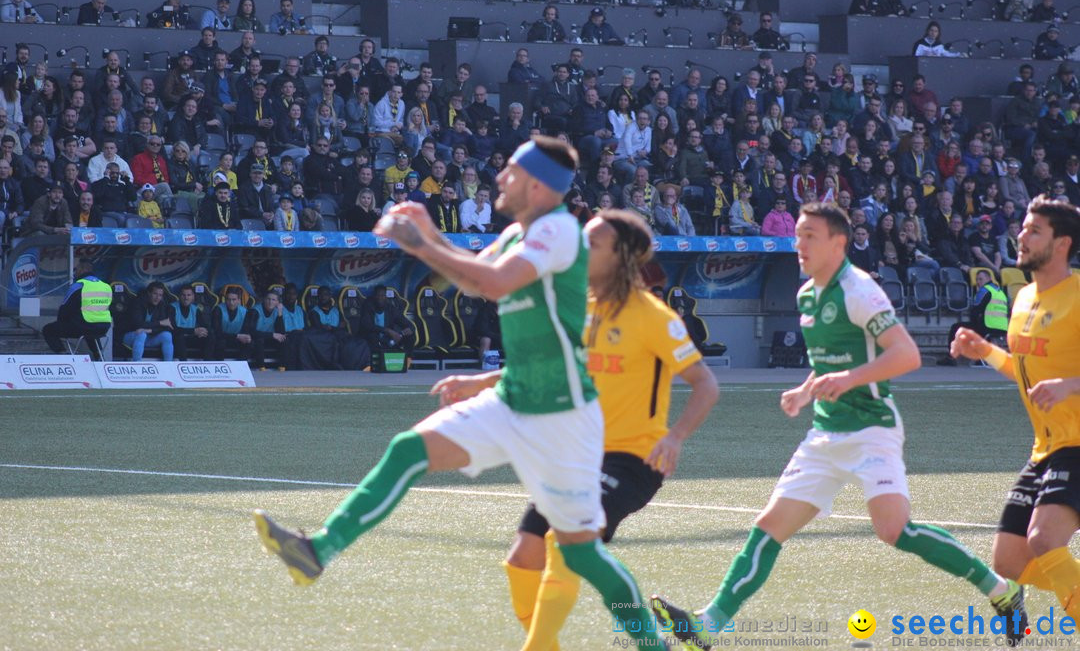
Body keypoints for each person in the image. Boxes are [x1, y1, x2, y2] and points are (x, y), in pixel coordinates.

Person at [253, 137, 667, 648]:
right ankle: (318, 551)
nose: (499, 178)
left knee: (581, 554)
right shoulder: (521, 231)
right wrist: (427, 235)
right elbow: (474, 280)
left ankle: (651, 643)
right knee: (408, 450)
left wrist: (421, 243)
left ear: (537, 184)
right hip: (514, 400)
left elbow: (495, 283)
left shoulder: (560, 230)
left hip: (564, 421)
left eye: (510, 171)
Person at [653, 202, 1029, 650]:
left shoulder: (858, 288)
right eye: (797, 235)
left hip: (872, 429)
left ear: (838, 242)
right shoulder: (807, 293)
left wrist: (847, 380)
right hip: (825, 434)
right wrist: (806, 390)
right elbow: (833, 361)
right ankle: (708, 626)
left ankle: (1001, 591)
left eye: (810, 235)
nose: (799, 244)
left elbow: (905, 354)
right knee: (768, 527)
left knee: (895, 531)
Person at [504, 209, 718, 648]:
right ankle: (651, 642)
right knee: (524, 556)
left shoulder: (654, 317)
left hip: (634, 461)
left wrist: (675, 436)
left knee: (567, 545)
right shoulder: (582, 310)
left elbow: (705, 384)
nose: (581, 250)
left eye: (593, 243)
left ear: (622, 257)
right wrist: (479, 383)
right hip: (575, 457)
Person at [950, 196, 1080, 624]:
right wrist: (985, 351)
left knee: (1044, 539)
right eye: (1023, 227)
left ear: (1062, 244)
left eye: (1034, 230)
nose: (1021, 236)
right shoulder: (1022, 298)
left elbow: (1057, 384)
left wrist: (1070, 384)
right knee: (1008, 562)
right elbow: (1025, 372)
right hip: (1045, 448)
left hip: (1077, 444)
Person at [42, 262, 111, 361]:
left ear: (82, 269)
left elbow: (65, 309)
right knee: (90, 329)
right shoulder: (105, 286)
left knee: (48, 330)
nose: (75, 272)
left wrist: (61, 323)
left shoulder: (78, 286)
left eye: (76, 269)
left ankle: (63, 355)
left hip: (83, 327)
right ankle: (98, 355)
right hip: (103, 328)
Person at [121, 281, 175, 361]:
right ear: (148, 293)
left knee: (167, 335)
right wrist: (159, 323)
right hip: (131, 336)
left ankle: (168, 366)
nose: (157, 298)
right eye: (155, 294)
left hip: (149, 336)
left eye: (160, 295)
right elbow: (138, 324)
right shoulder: (137, 302)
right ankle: (137, 367)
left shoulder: (161, 305)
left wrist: (150, 330)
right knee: (141, 334)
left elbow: (167, 327)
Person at [357, 284, 414, 351]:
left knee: (410, 337)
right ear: (374, 296)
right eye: (378, 295)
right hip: (371, 339)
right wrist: (387, 330)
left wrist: (408, 329)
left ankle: (407, 359)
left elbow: (406, 322)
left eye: (382, 295)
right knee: (372, 337)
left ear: (386, 297)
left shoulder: (390, 308)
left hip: (386, 340)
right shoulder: (367, 306)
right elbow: (366, 325)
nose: (380, 298)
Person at [244, 291, 287, 370]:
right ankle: (262, 367)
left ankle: (282, 367)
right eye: (268, 299)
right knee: (259, 340)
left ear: (278, 302)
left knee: (283, 339)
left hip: (269, 338)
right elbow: (251, 332)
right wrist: (272, 335)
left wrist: (280, 313)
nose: (270, 302)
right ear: (264, 300)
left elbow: (281, 332)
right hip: (256, 338)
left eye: (273, 300)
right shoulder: (255, 311)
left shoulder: (277, 311)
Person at [170, 285, 211, 362]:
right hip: (176, 339)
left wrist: (203, 331)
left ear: (193, 296)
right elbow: (173, 328)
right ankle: (184, 365)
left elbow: (204, 325)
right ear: (179, 296)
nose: (186, 298)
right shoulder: (172, 307)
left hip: (190, 338)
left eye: (189, 295)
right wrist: (194, 331)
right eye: (183, 295)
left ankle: (208, 364)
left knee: (210, 335)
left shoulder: (195, 309)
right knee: (179, 336)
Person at [211, 288, 251, 361]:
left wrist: (246, 337)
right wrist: (237, 336)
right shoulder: (218, 309)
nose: (231, 302)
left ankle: (241, 366)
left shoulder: (244, 311)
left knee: (249, 342)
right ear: (225, 300)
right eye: (228, 299)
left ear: (239, 300)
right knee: (219, 341)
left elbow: (246, 330)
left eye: (234, 299)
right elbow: (217, 332)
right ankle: (220, 366)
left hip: (236, 339)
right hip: (222, 338)